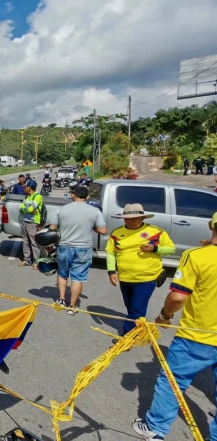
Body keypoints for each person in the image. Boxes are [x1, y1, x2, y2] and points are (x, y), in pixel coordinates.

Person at [131, 211, 217, 441]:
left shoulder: (197, 255)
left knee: (173, 380)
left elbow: (178, 297)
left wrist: (164, 316)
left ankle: (155, 428)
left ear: (212, 226)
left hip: (198, 335)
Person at [106, 203, 175, 335]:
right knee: (131, 307)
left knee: (137, 307)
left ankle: (128, 336)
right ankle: (138, 327)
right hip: (125, 277)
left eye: (135, 218)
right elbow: (110, 253)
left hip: (147, 278)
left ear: (143, 218)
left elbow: (171, 249)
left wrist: (155, 249)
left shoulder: (155, 231)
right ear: (123, 219)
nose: (131, 221)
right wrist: (111, 271)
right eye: (128, 218)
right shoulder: (116, 233)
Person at [49, 186, 108, 315]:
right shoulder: (95, 211)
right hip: (84, 248)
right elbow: (103, 231)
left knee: (62, 274)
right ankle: (72, 306)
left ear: (72, 195)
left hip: (64, 246)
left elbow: (52, 228)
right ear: (87, 197)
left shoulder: (62, 210)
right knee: (77, 277)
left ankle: (61, 299)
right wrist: (91, 227)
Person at [18, 180, 43, 268]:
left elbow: (31, 209)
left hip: (33, 222)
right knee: (26, 241)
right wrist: (27, 209)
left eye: (26, 186)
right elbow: (20, 208)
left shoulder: (37, 196)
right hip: (25, 221)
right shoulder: (27, 197)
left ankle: (36, 261)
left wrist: (27, 209)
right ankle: (27, 260)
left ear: (29, 187)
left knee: (34, 242)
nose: (25, 188)